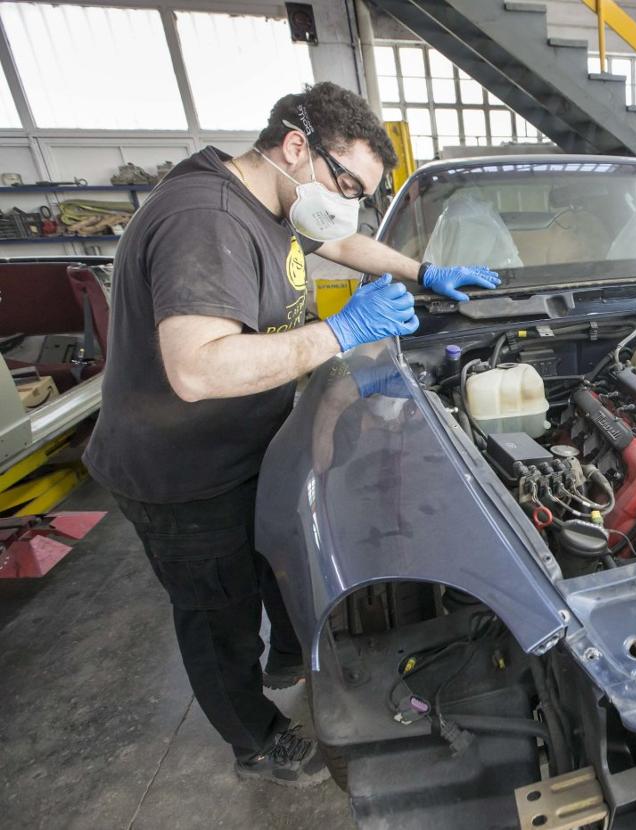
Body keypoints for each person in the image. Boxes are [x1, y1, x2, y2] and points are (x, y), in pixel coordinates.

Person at [83, 82, 498, 787]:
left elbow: (338, 236)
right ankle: (254, 737)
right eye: (347, 183)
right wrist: (342, 329)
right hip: (182, 470)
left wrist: (424, 270)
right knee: (218, 615)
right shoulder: (205, 221)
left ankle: (283, 659)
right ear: (296, 147)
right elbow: (197, 368)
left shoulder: (272, 195)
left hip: (245, 445)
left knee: (265, 564)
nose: (349, 203)